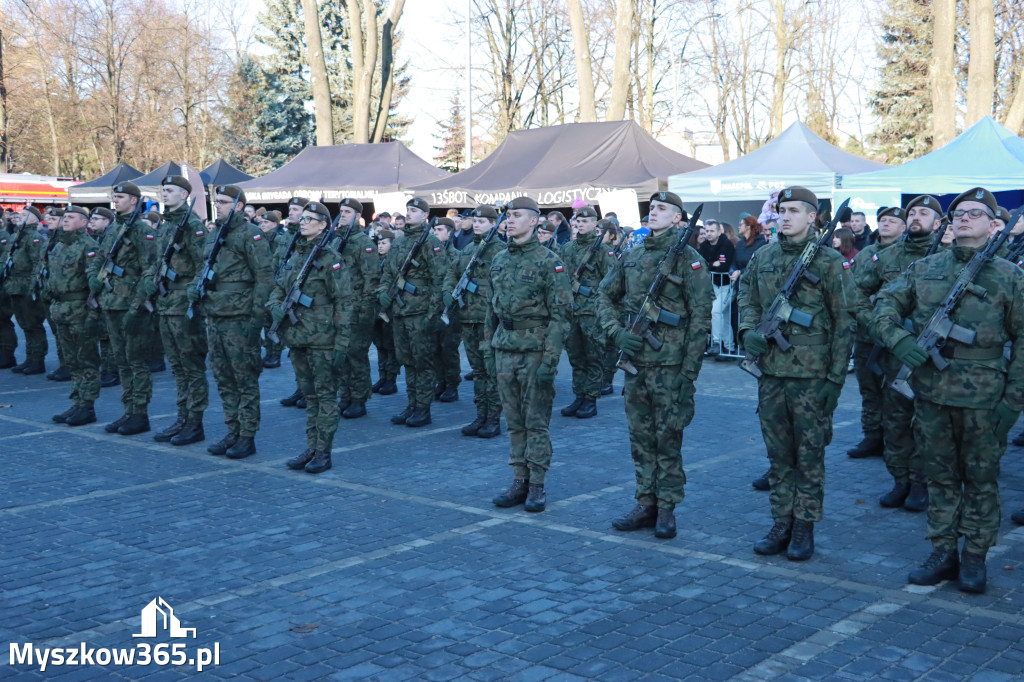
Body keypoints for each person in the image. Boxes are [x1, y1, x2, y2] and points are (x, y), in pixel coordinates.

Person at [872, 187, 1024, 594]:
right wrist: (898, 340)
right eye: (957, 213)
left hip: (984, 397)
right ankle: (943, 551)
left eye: (973, 214)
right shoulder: (926, 268)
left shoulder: (1011, 276)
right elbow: (882, 304)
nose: (962, 219)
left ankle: (974, 555)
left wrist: (1013, 401)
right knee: (939, 476)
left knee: (979, 478)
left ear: (994, 225)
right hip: (932, 394)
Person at [738, 186, 858, 561]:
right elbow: (747, 296)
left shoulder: (829, 262)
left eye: (794, 211)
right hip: (772, 374)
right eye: (781, 210)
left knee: (809, 455)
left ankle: (804, 525)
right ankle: (781, 521)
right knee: (778, 455)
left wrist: (835, 380)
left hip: (812, 378)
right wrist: (747, 331)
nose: (785, 217)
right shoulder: (764, 256)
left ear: (813, 218)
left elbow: (844, 322)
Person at [598, 191, 712, 538]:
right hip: (636, 365)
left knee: (668, 439)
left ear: (678, 218)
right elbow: (605, 295)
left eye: (663, 209)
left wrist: (688, 375)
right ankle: (645, 502)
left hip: (670, 366)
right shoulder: (630, 256)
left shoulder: (689, 261)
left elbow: (700, 321)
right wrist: (616, 332)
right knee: (641, 439)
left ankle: (667, 508)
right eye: (652, 208)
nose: (654, 212)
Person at [485, 196, 572, 512]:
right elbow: (490, 310)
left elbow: (561, 315)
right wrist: (487, 348)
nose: (510, 220)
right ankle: (519, 480)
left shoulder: (549, 261)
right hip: (504, 348)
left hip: (535, 351)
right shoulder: (499, 260)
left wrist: (551, 361)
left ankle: (537, 484)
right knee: (513, 420)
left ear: (535, 221)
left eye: (517, 215)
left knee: (535, 422)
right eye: (508, 215)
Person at [856, 199, 936, 512]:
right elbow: (856, 294)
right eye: (912, 212)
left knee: (925, 423)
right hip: (893, 354)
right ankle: (900, 480)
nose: (916, 217)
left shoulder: (947, 259)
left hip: (933, 359)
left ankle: (920, 482)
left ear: (939, 222)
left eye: (924, 213)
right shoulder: (885, 256)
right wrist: (877, 326)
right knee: (896, 421)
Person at [187, 184, 273, 459]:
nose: (219, 205)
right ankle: (232, 430)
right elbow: (203, 270)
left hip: (241, 318)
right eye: (217, 201)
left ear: (238, 205)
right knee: (224, 378)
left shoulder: (251, 234)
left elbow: (264, 279)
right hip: (216, 316)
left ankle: (247, 435)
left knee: (245, 379)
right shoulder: (213, 236)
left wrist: (257, 320)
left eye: (224, 202)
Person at [268, 201, 352, 474]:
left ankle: (323, 452)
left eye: (309, 219)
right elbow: (278, 289)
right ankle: (311, 446)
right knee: (310, 396)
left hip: (323, 340)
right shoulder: (296, 256)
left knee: (326, 397)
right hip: (298, 338)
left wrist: (341, 343)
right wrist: (275, 307)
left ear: (323, 225)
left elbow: (344, 303)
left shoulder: (331, 259)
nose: (302, 222)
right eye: (301, 218)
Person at [138, 176, 210, 445]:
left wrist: (192, 294)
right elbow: (155, 260)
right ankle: (182, 417)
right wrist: (149, 277)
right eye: (163, 191)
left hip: (183, 304)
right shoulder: (167, 225)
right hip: (166, 303)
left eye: (169, 191)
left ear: (184, 194)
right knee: (178, 367)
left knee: (192, 366)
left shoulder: (192, 226)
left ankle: (195, 422)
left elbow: (202, 265)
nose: (164, 194)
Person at [87, 182, 158, 435]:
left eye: (121, 197)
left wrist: (138, 305)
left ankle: (140, 414)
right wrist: (94, 278)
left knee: (136, 361)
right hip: (111, 302)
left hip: (131, 305)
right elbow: (101, 258)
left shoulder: (140, 230)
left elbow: (150, 269)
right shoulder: (115, 227)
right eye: (114, 197)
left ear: (134, 200)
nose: (115, 200)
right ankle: (128, 410)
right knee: (122, 361)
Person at [377, 197, 447, 427]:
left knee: (422, 361)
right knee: (406, 360)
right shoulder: (398, 242)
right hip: (399, 311)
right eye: (408, 209)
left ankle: (423, 408)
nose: (409, 213)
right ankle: (412, 404)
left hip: (420, 312)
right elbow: (388, 273)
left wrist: (433, 313)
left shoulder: (431, 242)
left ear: (425, 215)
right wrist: (383, 293)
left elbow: (440, 279)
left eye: (414, 210)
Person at [846, 207, 907, 459]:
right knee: (869, 388)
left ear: (903, 227)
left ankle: (897, 442)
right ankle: (872, 436)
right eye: (882, 220)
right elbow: (853, 290)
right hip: (867, 333)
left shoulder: (910, 255)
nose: (885, 224)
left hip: (898, 336)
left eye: (892, 221)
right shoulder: (866, 254)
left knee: (897, 393)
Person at [442, 205, 505, 438]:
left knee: (492, 371)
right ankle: (481, 415)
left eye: (482, 222)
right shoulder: (469, 248)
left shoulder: (501, 251)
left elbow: (504, 285)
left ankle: (493, 418)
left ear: (493, 224)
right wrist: (448, 290)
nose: (476, 225)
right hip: (468, 318)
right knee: (478, 371)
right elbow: (452, 272)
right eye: (474, 221)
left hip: (489, 320)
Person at [46, 206, 102, 426]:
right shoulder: (59, 246)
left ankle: (87, 406)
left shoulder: (89, 246)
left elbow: (95, 284)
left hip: (80, 310)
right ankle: (77, 402)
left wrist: (92, 314)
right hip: (61, 310)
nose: (65, 220)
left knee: (86, 360)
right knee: (72, 361)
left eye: (70, 217)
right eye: (64, 217)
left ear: (83, 222)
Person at [559, 208, 615, 419]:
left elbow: (611, 282)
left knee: (593, 355)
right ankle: (579, 395)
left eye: (584, 221)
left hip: (592, 312)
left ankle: (591, 398)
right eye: (577, 221)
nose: (580, 224)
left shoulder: (603, 250)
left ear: (594, 224)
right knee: (576, 356)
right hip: (572, 311)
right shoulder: (568, 248)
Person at [331, 198, 381, 419]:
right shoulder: (335, 242)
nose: (343, 215)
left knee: (356, 355)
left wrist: (366, 311)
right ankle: (346, 394)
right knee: (341, 353)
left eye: (348, 212)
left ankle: (359, 398)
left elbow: (372, 280)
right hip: (338, 309)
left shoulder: (364, 244)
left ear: (358, 216)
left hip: (358, 307)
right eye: (341, 211)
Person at [3, 207, 49, 374]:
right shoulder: (17, 236)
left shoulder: (34, 238)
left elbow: (38, 263)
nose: (18, 217)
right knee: (24, 324)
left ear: (33, 220)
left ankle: (37, 360)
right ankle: (29, 358)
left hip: (27, 286)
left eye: (23, 215)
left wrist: (34, 287)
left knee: (33, 324)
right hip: (15, 286)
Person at [278, 197, 309, 407]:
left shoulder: (311, 239)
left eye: (296, 209)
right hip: (287, 298)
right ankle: (300, 388)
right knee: (295, 351)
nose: (291, 212)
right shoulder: (286, 237)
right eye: (290, 209)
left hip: (305, 304)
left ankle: (310, 391)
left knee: (308, 351)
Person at [430, 217, 463, 402]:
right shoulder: (431, 254)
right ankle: (440, 381)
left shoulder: (456, 256)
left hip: (450, 310)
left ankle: (452, 384)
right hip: (433, 308)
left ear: (450, 233)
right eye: (434, 230)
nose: (436, 233)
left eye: (440, 230)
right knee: (434, 348)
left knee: (448, 348)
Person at [699, 219, 736, 356]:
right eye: (707, 231)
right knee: (722, 316)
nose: (708, 234)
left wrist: (711, 265)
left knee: (716, 312)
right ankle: (729, 347)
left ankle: (716, 342)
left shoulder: (726, 245)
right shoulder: (704, 246)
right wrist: (711, 264)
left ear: (719, 232)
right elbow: (700, 264)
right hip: (714, 284)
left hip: (727, 285)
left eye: (711, 231)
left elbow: (724, 266)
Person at [371, 230, 400, 395]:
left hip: (389, 310)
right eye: (379, 243)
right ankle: (382, 376)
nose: (380, 246)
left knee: (391, 346)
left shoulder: (395, 261)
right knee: (380, 345)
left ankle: (391, 379)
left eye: (384, 243)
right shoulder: (375, 261)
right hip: (376, 310)